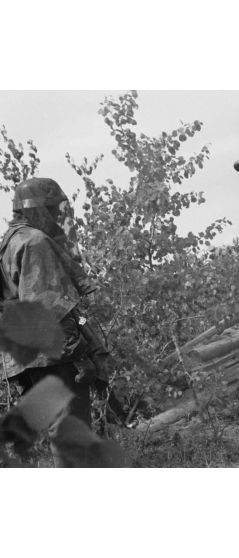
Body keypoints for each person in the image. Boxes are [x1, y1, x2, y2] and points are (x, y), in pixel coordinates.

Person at [0, 177, 116, 465]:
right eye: (52, 210)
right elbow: (48, 307)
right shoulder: (35, 241)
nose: (57, 217)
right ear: (38, 210)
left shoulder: (10, 242)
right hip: (55, 358)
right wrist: (80, 357)